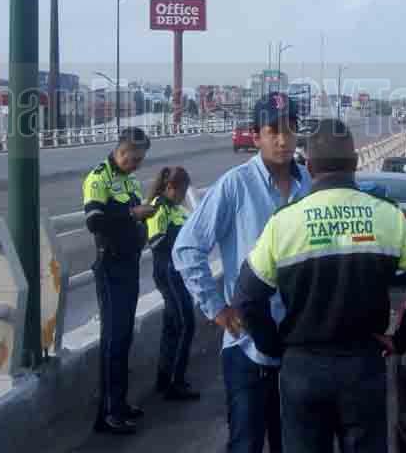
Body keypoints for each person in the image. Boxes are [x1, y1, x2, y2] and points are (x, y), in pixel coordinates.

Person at [233, 118, 406, 453]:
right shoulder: (387, 216)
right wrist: (401, 339)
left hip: (301, 367)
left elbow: (245, 298)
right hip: (363, 366)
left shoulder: (284, 223)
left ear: (310, 166)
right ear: (356, 163)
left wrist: (273, 345)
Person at [173, 93, 311, 453]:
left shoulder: (310, 187)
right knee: (245, 444)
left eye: (291, 130)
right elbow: (187, 248)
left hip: (299, 346)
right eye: (273, 131)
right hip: (246, 346)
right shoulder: (236, 185)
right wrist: (218, 309)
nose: (283, 140)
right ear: (256, 135)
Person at [82, 127, 155, 435]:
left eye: (141, 160)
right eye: (134, 158)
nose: (137, 164)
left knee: (124, 337)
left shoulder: (130, 180)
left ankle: (120, 402)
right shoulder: (98, 178)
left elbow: (134, 215)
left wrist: (144, 213)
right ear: (121, 151)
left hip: (128, 264)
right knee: (113, 340)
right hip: (111, 266)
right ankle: (108, 413)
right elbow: (94, 222)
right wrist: (132, 214)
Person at [146, 166, 200, 401]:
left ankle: (165, 377)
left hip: (175, 271)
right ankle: (175, 381)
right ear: (170, 188)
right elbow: (156, 241)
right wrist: (181, 240)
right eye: (181, 191)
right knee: (185, 323)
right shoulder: (159, 208)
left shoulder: (174, 208)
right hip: (168, 270)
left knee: (172, 326)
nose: (182, 196)